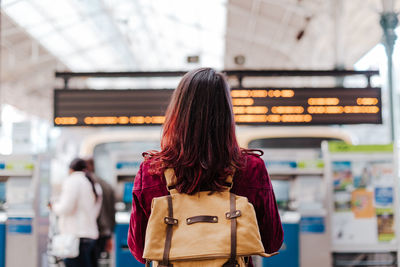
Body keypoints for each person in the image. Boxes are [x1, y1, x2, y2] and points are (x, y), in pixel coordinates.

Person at [127, 68, 283, 267]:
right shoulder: (250, 167)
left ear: (177, 111)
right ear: (227, 113)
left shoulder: (151, 170)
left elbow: (140, 250)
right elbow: (271, 242)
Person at [51, 158, 102, 267]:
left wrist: (53, 207)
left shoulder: (73, 181)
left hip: (76, 238)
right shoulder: (93, 183)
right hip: (91, 236)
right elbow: (95, 212)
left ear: (70, 169)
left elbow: (66, 207)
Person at [86, 158, 116, 266]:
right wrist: (111, 231)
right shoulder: (107, 185)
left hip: (93, 230)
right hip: (105, 231)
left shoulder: (88, 184)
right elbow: (113, 211)